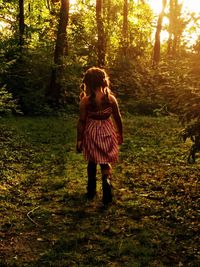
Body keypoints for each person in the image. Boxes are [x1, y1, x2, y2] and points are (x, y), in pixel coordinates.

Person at [76, 67, 123, 206]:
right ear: (104, 82)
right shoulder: (111, 99)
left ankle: (91, 190)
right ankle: (106, 181)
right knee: (105, 161)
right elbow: (117, 117)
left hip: (91, 134)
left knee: (92, 162)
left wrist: (79, 139)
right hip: (108, 132)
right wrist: (120, 133)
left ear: (88, 83)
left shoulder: (86, 101)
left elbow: (81, 121)